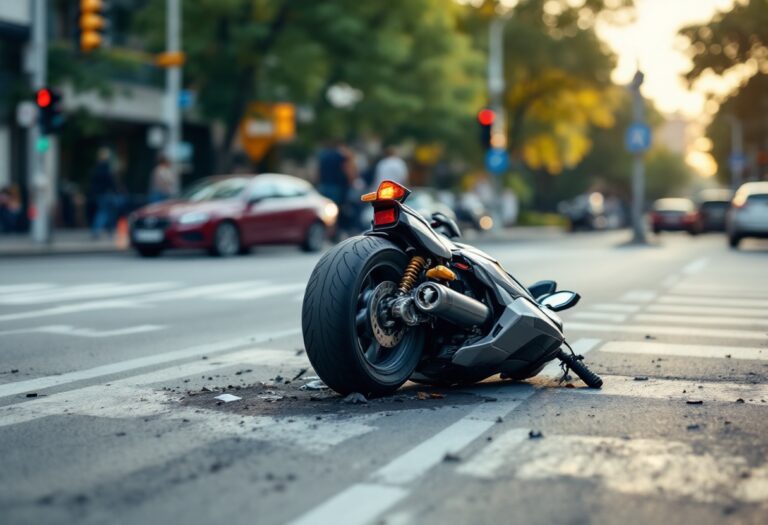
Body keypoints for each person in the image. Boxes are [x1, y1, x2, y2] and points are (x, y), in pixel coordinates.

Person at [317, 141, 358, 239]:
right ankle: (333, 233)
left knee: (325, 210)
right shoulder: (341, 156)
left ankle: (325, 233)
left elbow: (318, 172)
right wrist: (352, 181)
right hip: (337, 186)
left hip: (324, 185)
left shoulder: (323, 155)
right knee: (336, 210)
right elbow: (347, 169)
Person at [89, 148, 118, 239]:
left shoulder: (96, 167)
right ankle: (97, 230)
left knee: (106, 212)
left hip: (98, 193)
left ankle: (108, 230)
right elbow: (110, 180)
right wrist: (115, 190)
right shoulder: (106, 167)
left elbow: (93, 181)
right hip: (105, 193)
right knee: (104, 212)